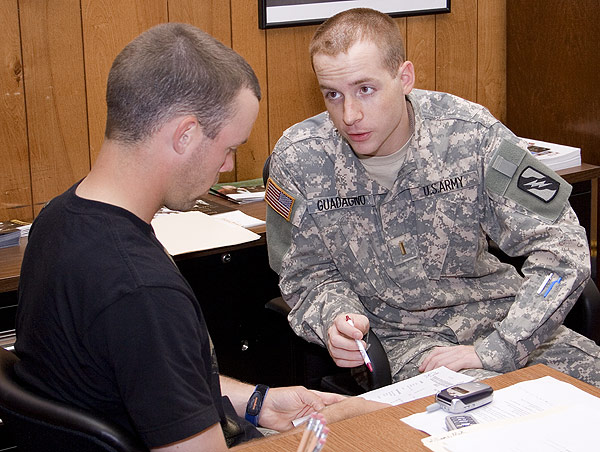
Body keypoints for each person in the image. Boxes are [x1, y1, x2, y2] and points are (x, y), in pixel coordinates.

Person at [14, 23, 382, 452]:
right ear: (185, 134)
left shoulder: (58, 221)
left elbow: (150, 379)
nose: (227, 166)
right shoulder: (143, 291)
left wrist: (261, 403)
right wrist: (333, 435)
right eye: (229, 148)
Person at [265, 8, 600, 387]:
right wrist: (336, 319)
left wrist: (503, 344)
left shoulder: (472, 135)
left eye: (366, 89)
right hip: (405, 343)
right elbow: (305, 276)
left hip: (509, 326)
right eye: (332, 94)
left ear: (404, 78)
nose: (350, 114)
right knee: (484, 411)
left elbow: (565, 252)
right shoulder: (299, 160)